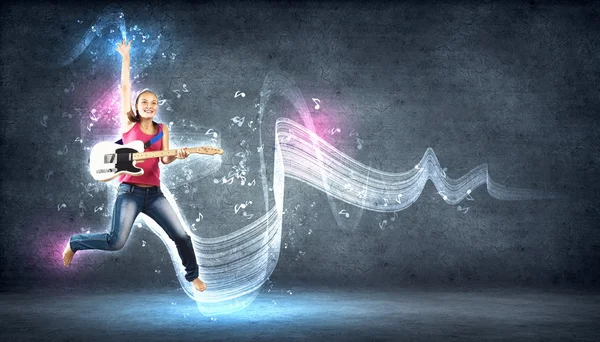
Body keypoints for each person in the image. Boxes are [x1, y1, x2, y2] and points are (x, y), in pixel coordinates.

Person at [62, 38, 207, 292]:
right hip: (129, 192)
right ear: (137, 108)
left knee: (182, 236)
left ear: (157, 107)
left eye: (153, 103)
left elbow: (164, 159)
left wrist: (179, 155)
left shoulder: (163, 129)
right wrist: (126, 59)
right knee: (116, 241)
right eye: (144, 103)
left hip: (155, 194)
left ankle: (193, 275)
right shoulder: (129, 125)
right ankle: (75, 243)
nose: (149, 106)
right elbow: (125, 87)